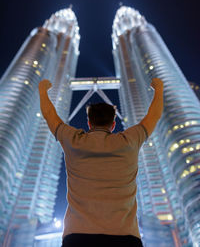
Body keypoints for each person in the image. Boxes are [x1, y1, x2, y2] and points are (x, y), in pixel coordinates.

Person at [38, 77, 163, 247]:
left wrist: (43, 90)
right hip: (124, 237)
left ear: (89, 123)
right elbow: (154, 116)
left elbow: (49, 115)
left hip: (78, 237)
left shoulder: (73, 140)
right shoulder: (129, 141)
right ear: (113, 124)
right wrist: (159, 88)